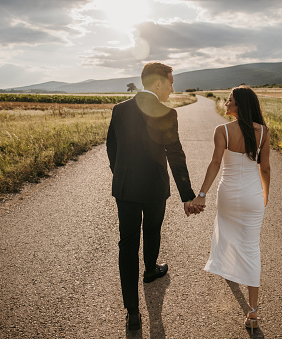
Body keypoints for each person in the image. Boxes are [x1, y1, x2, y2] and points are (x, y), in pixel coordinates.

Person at [106, 62, 201, 331]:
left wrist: (120, 174)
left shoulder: (120, 109)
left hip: (125, 189)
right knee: (152, 229)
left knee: (127, 245)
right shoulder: (168, 113)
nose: (173, 88)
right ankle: (149, 270)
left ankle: (133, 312)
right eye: (171, 82)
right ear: (158, 83)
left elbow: (111, 146)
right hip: (155, 187)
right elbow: (175, 155)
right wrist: (187, 195)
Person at [191, 85, 270, 333]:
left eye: (230, 100)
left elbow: (215, 163)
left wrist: (202, 194)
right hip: (252, 195)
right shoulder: (264, 132)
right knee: (251, 246)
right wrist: (265, 193)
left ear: (240, 105)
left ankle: (230, 269)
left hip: (227, 195)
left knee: (228, 234)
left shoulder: (222, 130)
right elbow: (265, 168)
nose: (226, 103)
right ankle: (253, 312)